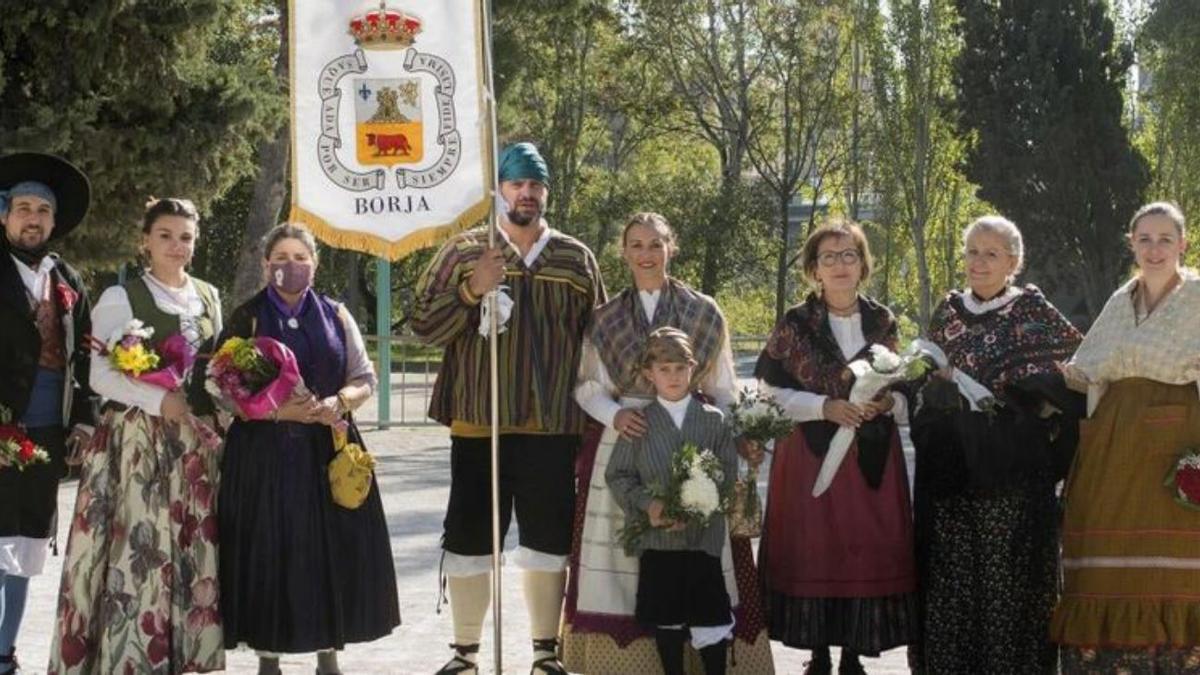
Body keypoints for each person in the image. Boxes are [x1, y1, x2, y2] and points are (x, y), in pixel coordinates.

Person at [412, 142, 605, 675]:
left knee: (547, 538)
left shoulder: (574, 257)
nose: (527, 193)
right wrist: (473, 289)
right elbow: (424, 325)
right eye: (517, 183)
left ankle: (545, 650)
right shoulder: (464, 250)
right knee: (471, 537)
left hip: (552, 423)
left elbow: (598, 342)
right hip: (479, 419)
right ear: (498, 188)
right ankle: (465, 653)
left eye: (536, 185)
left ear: (546, 191)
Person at [561, 212, 773, 673]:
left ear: (670, 248)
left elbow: (721, 387)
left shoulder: (704, 310)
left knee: (698, 553)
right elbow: (586, 386)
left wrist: (739, 437)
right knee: (627, 556)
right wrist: (617, 415)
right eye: (635, 245)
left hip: (694, 435)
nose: (646, 254)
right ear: (623, 252)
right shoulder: (606, 316)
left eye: (655, 244)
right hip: (629, 437)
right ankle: (633, 661)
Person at [48, 198, 224, 674]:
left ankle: (188, 660)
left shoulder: (208, 296)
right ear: (145, 241)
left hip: (191, 446)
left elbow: (215, 372)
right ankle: (132, 658)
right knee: (139, 547)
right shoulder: (121, 297)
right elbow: (99, 374)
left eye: (185, 237)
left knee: (191, 546)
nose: (175, 246)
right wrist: (156, 400)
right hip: (135, 442)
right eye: (164, 235)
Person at [217, 223, 399, 675]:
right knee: (268, 548)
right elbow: (221, 388)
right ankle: (268, 657)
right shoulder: (247, 316)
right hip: (263, 454)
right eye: (281, 258)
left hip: (328, 451)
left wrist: (338, 402)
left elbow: (364, 376)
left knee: (329, 550)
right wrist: (278, 413)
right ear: (265, 265)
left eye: (301, 257)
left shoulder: (337, 314)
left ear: (314, 265)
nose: (291, 266)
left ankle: (328, 657)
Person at [909, 215, 1083, 674]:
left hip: (1013, 481)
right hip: (952, 480)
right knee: (953, 585)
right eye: (972, 252)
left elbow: (1072, 380)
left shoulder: (1033, 312)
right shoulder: (947, 312)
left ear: (1013, 262)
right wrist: (934, 388)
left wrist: (1024, 396)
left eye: (991, 253)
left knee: (1009, 587)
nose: (978, 262)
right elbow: (921, 385)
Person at [754, 219, 918, 675]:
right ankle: (819, 655)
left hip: (869, 458)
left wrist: (887, 402)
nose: (840, 265)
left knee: (861, 547)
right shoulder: (794, 324)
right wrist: (824, 407)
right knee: (815, 548)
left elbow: (904, 389)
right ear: (813, 269)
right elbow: (768, 391)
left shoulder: (883, 321)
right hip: (809, 453)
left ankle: (851, 654)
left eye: (849, 256)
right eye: (829, 257)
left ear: (863, 265)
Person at [1053, 202, 1200, 673]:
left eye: (1164, 239)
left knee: (1177, 552)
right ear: (1131, 244)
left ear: (1184, 244)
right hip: (1113, 443)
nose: (1154, 249)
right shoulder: (1120, 300)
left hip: (1178, 441)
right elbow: (1091, 372)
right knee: (1105, 549)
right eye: (1144, 239)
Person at [0, 152, 96, 675]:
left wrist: (83, 419)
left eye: (42, 209)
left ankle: (4, 653)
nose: (32, 218)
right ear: (4, 214)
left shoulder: (69, 279)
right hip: (0, 428)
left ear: (53, 221)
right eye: (22, 207)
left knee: (26, 548)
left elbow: (88, 355)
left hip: (46, 433)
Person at [606, 327, 739, 675]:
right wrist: (648, 505)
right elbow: (618, 475)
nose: (673, 376)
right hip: (658, 539)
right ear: (649, 374)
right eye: (664, 369)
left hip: (702, 540)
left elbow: (727, 473)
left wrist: (702, 506)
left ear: (693, 369)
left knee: (710, 618)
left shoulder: (714, 421)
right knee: (667, 619)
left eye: (680, 368)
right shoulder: (639, 423)